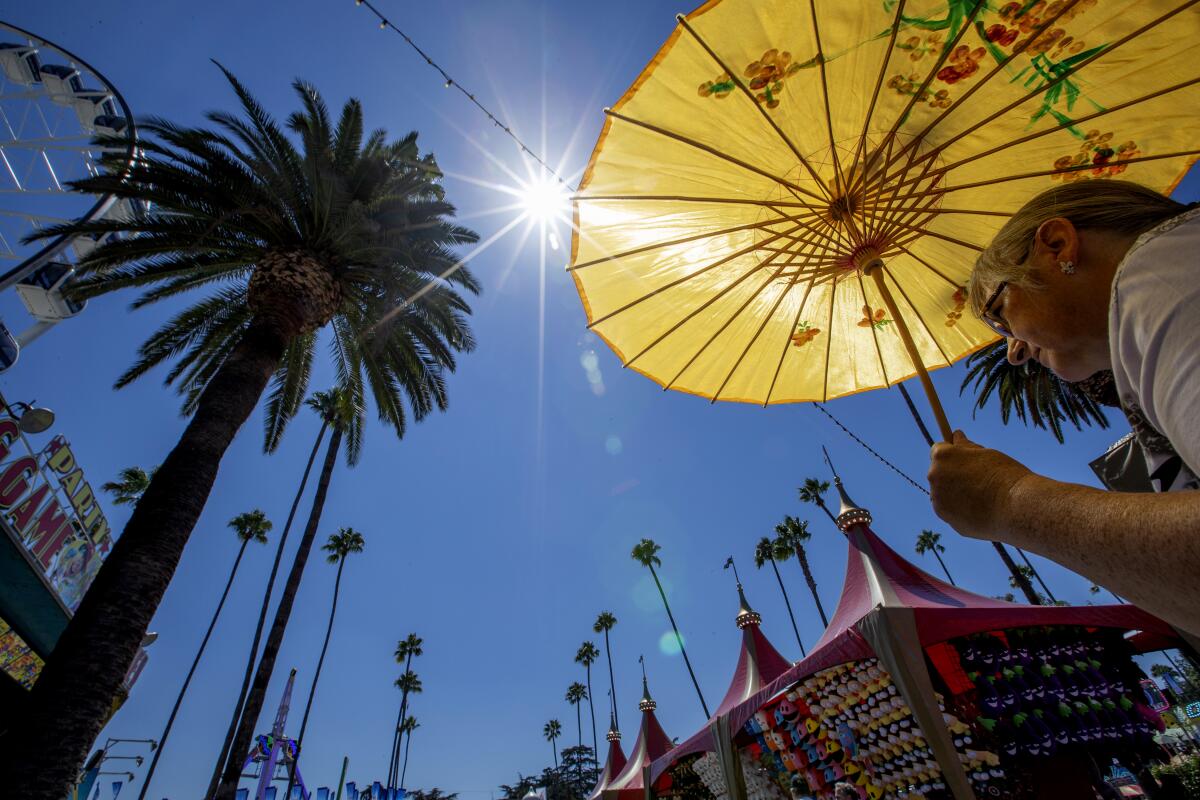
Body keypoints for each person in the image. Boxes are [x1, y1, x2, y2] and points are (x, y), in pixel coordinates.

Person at [927, 179, 1200, 634]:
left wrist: (1009, 502)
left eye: (999, 313)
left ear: (1057, 247)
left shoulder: (1157, 275)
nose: (1013, 351)